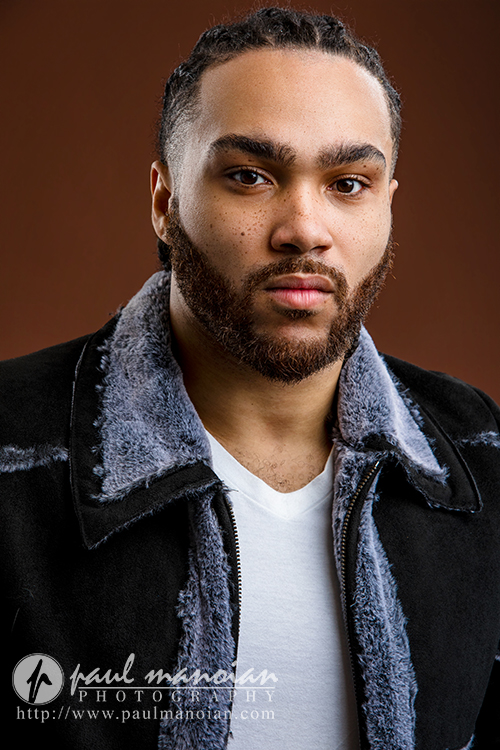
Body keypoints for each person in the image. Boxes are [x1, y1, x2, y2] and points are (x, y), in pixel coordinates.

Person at [3, 6, 500, 750]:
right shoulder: (12, 453)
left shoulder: (483, 459)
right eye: (249, 176)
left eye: (349, 183)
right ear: (165, 202)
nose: (304, 226)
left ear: (390, 207)